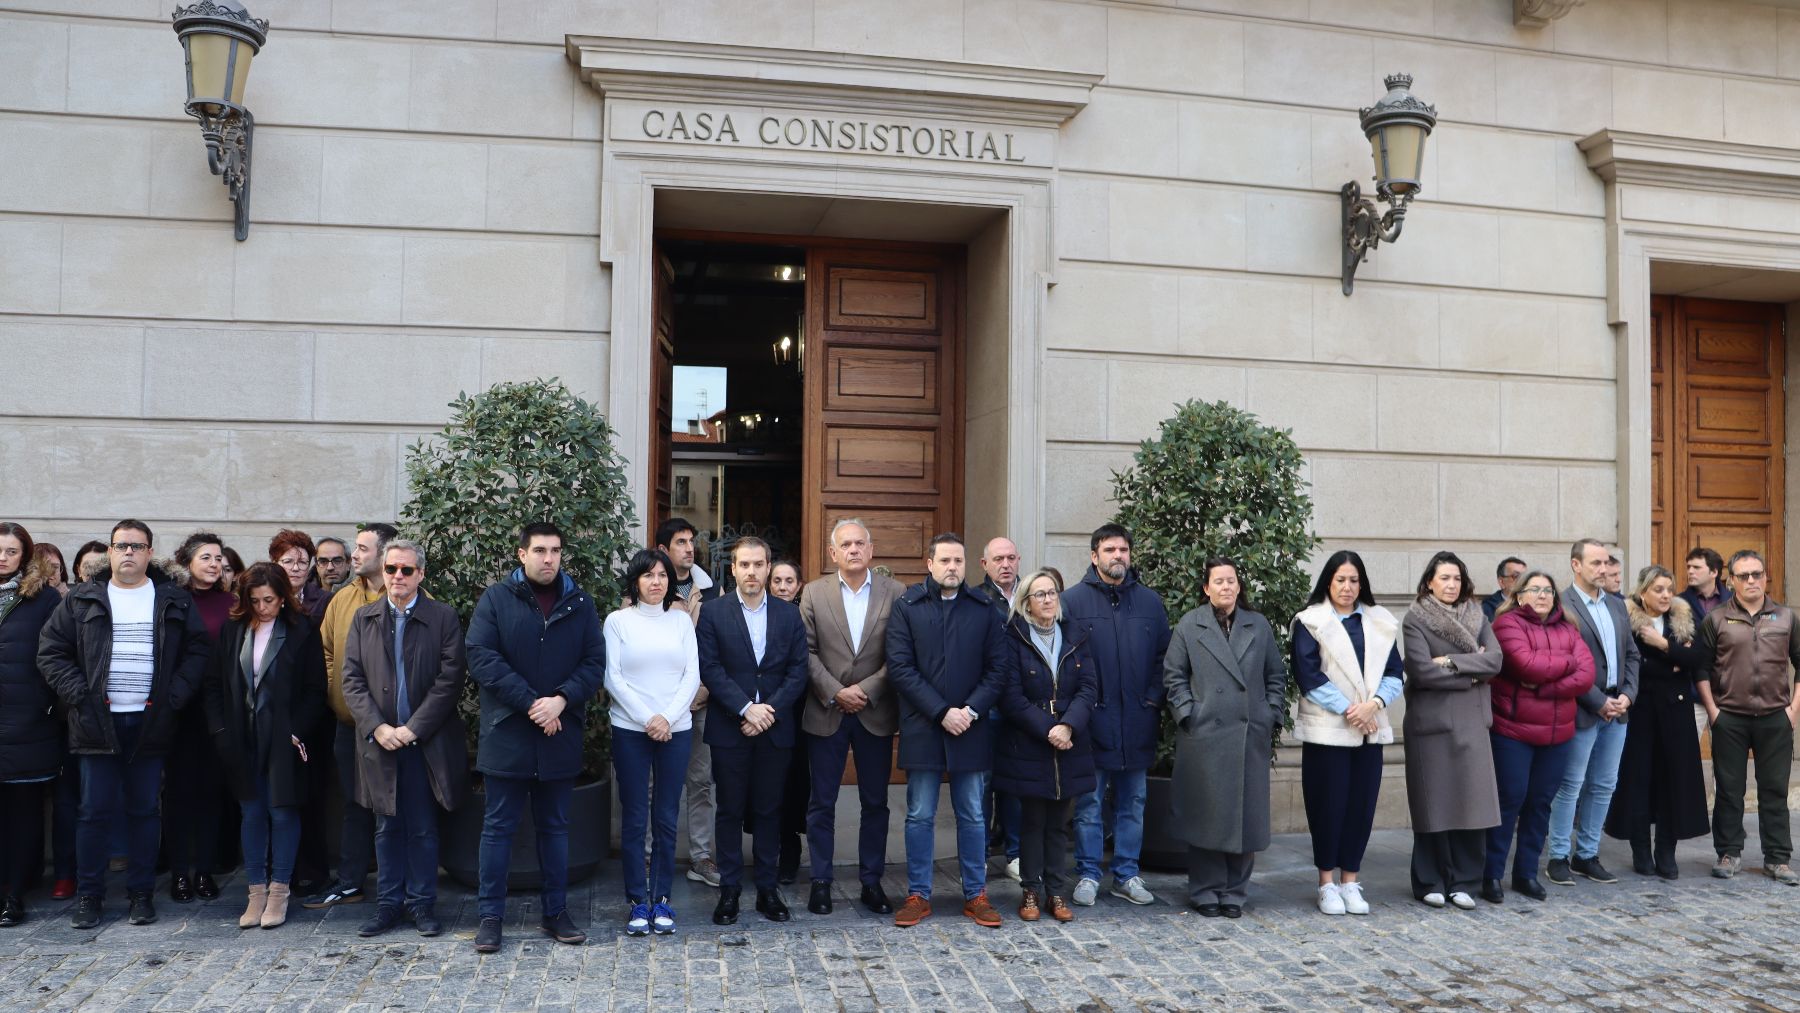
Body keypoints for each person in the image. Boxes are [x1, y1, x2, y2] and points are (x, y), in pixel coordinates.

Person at [38, 520, 210, 929]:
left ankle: (140, 894)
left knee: (144, 811)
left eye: (137, 546)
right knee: (93, 812)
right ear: (110, 553)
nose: (128, 553)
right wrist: (80, 693)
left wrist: (174, 696)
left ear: (150, 553)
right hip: (97, 722)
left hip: (151, 721)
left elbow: (199, 650)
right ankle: (90, 896)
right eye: (121, 546)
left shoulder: (173, 599)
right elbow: (51, 651)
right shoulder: (82, 599)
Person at [465, 522, 605, 952]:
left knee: (556, 829)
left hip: (558, 732)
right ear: (521, 554)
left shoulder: (579, 603)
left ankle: (556, 912)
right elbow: (481, 657)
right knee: (498, 829)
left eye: (556, 550)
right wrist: (532, 703)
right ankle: (491, 916)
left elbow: (594, 662)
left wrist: (560, 700)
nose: (549, 558)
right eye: (540, 550)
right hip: (509, 731)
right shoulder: (496, 599)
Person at [341, 539, 468, 938]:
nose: (397, 576)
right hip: (379, 743)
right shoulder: (364, 618)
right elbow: (351, 679)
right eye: (391, 569)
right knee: (385, 827)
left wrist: (414, 728)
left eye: (406, 570)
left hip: (424, 742)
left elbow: (450, 681)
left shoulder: (443, 617)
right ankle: (388, 905)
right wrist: (378, 727)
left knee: (423, 827)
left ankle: (422, 904)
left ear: (421, 575)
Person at [886, 532, 1010, 929]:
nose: (952, 567)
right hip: (924, 725)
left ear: (967, 566)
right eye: (945, 561)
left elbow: (998, 669)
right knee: (920, 813)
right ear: (930, 564)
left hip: (970, 728)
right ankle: (918, 894)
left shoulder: (983, 609)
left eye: (958, 561)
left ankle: (976, 894)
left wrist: (970, 711)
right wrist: (942, 712)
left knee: (973, 813)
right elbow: (901, 668)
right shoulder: (907, 607)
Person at [203, 563, 326, 930]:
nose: (262, 607)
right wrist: (221, 732)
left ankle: (279, 891)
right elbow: (213, 685)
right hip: (242, 736)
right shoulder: (233, 629)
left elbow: (315, 691)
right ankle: (255, 891)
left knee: (283, 812)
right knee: (251, 813)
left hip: (283, 737)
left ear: (283, 597)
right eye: (254, 600)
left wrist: (296, 732)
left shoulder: (301, 630)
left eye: (269, 600)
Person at [1163, 557, 1285, 919]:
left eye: (1231, 581)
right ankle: (1204, 889)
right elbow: (1173, 675)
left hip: (1249, 734)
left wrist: (1269, 713)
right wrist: (1189, 713)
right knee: (1207, 814)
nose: (1226, 587)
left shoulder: (1258, 625)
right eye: (1218, 581)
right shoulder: (1190, 624)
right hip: (1205, 736)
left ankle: (1235, 891)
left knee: (1245, 817)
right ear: (1206, 588)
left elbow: (1276, 675)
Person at [697, 537, 808, 925]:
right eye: (744, 565)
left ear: (767, 566)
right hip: (731, 728)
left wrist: (768, 711)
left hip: (774, 729)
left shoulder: (788, 615)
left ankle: (766, 889)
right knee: (728, 810)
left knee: (769, 811)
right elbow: (710, 668)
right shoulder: (713, 613)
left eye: (758, 564)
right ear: (733, 569)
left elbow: (798, 671)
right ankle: (730, 890)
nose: (751, 572)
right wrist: (746, 708)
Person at [798, 519, 905, 916]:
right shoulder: (813, 593)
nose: (854, 549)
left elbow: (900, 653)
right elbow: (805, 652)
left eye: (861, 543)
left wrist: (868, 690)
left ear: (871, 550)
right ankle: (821, 881)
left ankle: (871, 882)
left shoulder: (896, 593)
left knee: (875, 802)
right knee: (821, 802)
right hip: (826, 710)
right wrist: (834, 691)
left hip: (875, 712)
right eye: (846, 544)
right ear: (833, 553)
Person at [1061, 523, 1171, 908]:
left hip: (1138, 721)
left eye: (1123, 549)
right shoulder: (1072, 602)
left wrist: (1153, 700)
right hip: (1093, 723)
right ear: (1094, 556)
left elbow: (1163, 659)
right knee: (1089, 803)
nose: (1118, 556)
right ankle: (1089, 873)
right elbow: (1065, 663)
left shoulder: (1150, 604)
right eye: (1110, 550)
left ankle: (1126, 874)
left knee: (1133, 802)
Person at [1291, 550, 1403, 917]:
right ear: (1328, 581)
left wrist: (1375, 706)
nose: (1347, 586)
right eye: (1340, 579)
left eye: (1354, 580)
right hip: (1330, 731)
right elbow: (1309, 675)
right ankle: (1326, 883)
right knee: (1328, 806)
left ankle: (1350, 880)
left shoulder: (1379, 621)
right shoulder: (1310, 621)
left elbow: (1394, 672)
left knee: (1361, 807)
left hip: (1370, 729)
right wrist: (1352, 710)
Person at [604, 548, 700, 936]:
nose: (656, 582)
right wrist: (648, 719)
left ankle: (662, 900)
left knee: (665, 815)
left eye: (662, 575)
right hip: (630, 728)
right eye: (648, 576)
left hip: (676, 729)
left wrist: (668, 718)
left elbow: (692, 675)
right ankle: (636, 902)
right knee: (634, 816)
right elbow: (612, 677)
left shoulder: (680, 623)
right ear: (636, 581)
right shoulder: (617, 622)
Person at [302, 522, 397, 911]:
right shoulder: (340, 601)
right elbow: (324, 652)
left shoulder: (407, 595)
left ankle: (397, 887)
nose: (353, 556)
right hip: (348, 725)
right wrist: (334, 692)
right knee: (353, 805)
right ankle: (350, 882)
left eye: (361, 548)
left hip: (394, 730)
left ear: (386, 553)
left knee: (393, 807)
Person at [1483, 570, 1593, 904]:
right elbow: (1525, 665)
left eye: (1548, 590)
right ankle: (1491, 874)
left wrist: (1545, 687)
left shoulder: (1568, 627)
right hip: (1514, 731)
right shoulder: (1507, 625)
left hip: (1557, 734)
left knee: (1540, 803)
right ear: (1518, 596)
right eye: (1535, 590)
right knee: (1510, 799)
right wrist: (1566, 664)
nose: (1543, 595)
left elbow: (1586, 675)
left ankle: (1526, 874)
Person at [1401, 551, 1503, 910]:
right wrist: (1471, 675)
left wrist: (1451, 662)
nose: (1451, 584)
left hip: (1473, 722)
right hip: (1433, 725)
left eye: (1456, 578)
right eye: (1444, 578)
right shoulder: (1416, 619)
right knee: (1434, 805)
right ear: (1430, 580)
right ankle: (1430, 879)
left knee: (1471, 804)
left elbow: (1495, 661)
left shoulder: (1478, 615)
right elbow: (1421, 671)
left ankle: (1464, 881)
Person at [996, 569, 1096, 923]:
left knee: (1059, 823)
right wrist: (1048, 729)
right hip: (1030, 743)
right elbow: (1010, 697)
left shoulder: (1076, 636)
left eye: (1052, 592)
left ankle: (1056, 892)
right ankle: (1030, 892)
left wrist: (1068, 725)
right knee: (1033, 821)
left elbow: (1088, 688)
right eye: (1039, 595)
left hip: (1070, 742)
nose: (1048, 599)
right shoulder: (1013, 639)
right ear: (1025, 603)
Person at [1697, 549, 1800, 885]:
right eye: (1744, 576)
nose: (1752, 580)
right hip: (1730, 718)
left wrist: (1793, 709)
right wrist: (1714, 712)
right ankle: (1729, 852)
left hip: (1775, 717)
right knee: (1729, 789)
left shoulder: (1786, 617)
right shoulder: (1716, 619)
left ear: (1766, 577)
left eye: (1757, 574)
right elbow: (1701, 668)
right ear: (1732, 581)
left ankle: (1778, 859)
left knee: (1774, 790)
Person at [1546, 539, 1640, 889]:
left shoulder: (1617, 605)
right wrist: (1597, 700)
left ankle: (1587, 854)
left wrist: (1627, 696)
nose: (1603, 570)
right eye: (1596, 563)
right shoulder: (1562, 605)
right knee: (1570, 785)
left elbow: (1631, 655)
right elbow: (1565, 663)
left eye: (1606, 563)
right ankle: (1558, 856)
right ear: (1576, 565)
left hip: (1618, 711)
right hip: (1583, 710)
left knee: (1604, 785)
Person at [1605, 565, 1709, 880]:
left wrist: (1664, 646)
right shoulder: (1626, 619)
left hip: (1676, 714)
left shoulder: (1684, 617)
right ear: (1643, 592)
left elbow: (1700, 660)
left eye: (1669, 589)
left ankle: (1666, 850)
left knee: (1673, 781)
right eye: (1658, 590)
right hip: (1639, 712)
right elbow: (1633, 665)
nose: (1665, 595)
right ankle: (1640, 850)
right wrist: (1675, 661)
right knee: (1638, 780)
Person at [162, 531, 234, 905]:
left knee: (210, 793)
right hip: (179, 709)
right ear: (187, 562)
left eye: (218, 558)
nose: (214, 564)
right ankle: (179, 873)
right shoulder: (173, 600)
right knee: (178, 794)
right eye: (206, 557)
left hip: (217, 710)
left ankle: (204, 871)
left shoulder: (233, 603)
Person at [0, 523, 64, 926]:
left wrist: (44, 706)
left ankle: (14, 893)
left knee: (22, 813)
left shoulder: (42, 600)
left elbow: (57, 656)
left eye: (10, 551)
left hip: (25, 723)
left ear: (24, 557)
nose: (2, 556)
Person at [657, 517, 723, 889]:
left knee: (700, 782)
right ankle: (651, 854)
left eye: (692, 541)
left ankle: (701, 857)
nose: (689, 547)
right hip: (657, 709)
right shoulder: (646, 587)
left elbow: (720, 645)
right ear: (664, 550)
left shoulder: (711, 590)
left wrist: (704, 690)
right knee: (654, 783)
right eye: (681, 541)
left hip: (700, 701)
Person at [975, 536, 1023, 883]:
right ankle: (977, 856)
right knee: (982, 784)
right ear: (985, 564)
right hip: (988, 705)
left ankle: (1016, 853)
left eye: (1010, 558)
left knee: (1017, 784)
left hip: (1022, 706)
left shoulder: (1032, 596)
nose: (1005, 565)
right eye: (998, 559)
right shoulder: (975, 600)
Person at [767, 559, 809, 885]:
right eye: (777, 580)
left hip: (799, 712)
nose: (783, 587)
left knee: (793, 783)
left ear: (798, 585)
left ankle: (790, 852)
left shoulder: (806, 617)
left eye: (789, 581)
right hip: (762, 711)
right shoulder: (759, 613)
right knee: (766, 785)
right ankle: (766, 851)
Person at [270, 530, 325, 621]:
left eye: (302, 562)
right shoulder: (262, 597)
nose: (295, 568)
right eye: (288, 561)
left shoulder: (325, 600)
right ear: (274, 564)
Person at [1680, 547, 1732, 619]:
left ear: (1714, 572)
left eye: (1696, 567)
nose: (1690, 571)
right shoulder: (1679, 602)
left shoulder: (1733, 600)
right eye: (1688, 567)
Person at [1482, 557, 1525, 621]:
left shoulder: (1535, 605)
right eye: (1516, 576)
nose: (1523, 581)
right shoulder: (1487, 608)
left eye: (1526, 577)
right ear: (1501, 582)